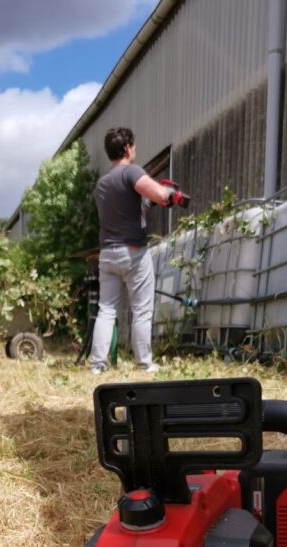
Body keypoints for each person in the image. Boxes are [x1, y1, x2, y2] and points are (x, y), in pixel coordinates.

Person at [89, 127, 184, 374]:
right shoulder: (131, 171)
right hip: (132, 254)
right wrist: (170, 194)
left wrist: (148, 203)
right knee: (141, 310)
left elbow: (131, 211)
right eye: (134, 146)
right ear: (128, 147)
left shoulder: (102, 183)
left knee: (106, 309)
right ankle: (144, 363)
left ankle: (97, 366)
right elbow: (160, 193)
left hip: (108, 255)